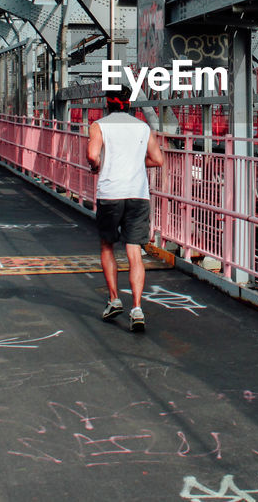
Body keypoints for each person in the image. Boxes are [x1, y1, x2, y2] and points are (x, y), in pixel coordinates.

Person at [87, 89, 164, 332]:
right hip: (138, 194)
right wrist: (133, 162)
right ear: (129, 104)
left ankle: (114, 300)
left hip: (111, 194)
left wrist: (97, 164)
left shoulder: (99, 125)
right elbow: (157, 159)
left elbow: (91, 155)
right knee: (135, 252)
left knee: (107, 245)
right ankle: (137, 308)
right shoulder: (142, 127)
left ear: (107, 104)